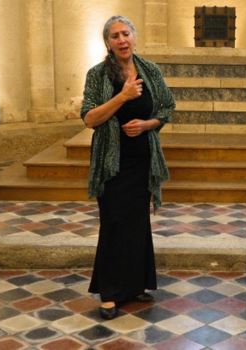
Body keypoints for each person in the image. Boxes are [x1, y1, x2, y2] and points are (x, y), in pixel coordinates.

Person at [80, 15, 175, 320]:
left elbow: (167, 108)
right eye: (114, 36)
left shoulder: (150, 70)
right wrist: (122, 97)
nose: (121, 40)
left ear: (134, 37)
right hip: (112, 163)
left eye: (125, 34)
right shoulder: (97, 75)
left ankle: (134, 285)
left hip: (142, 161)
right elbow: (89, 118)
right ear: (107, 43)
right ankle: (109, 293)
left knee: (137, 223)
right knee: (113, 224)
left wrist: (148, 124)